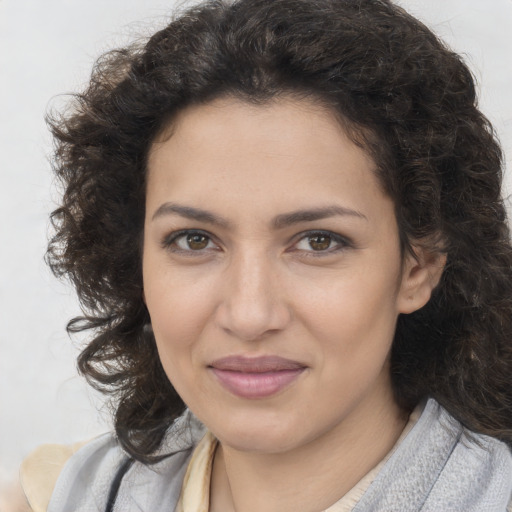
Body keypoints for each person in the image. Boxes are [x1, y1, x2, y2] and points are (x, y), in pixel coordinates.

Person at [20, 0, 512, 510]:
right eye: (194, 239)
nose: (250, 315)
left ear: (418, 266)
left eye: (318, 241)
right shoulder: (63, 494)